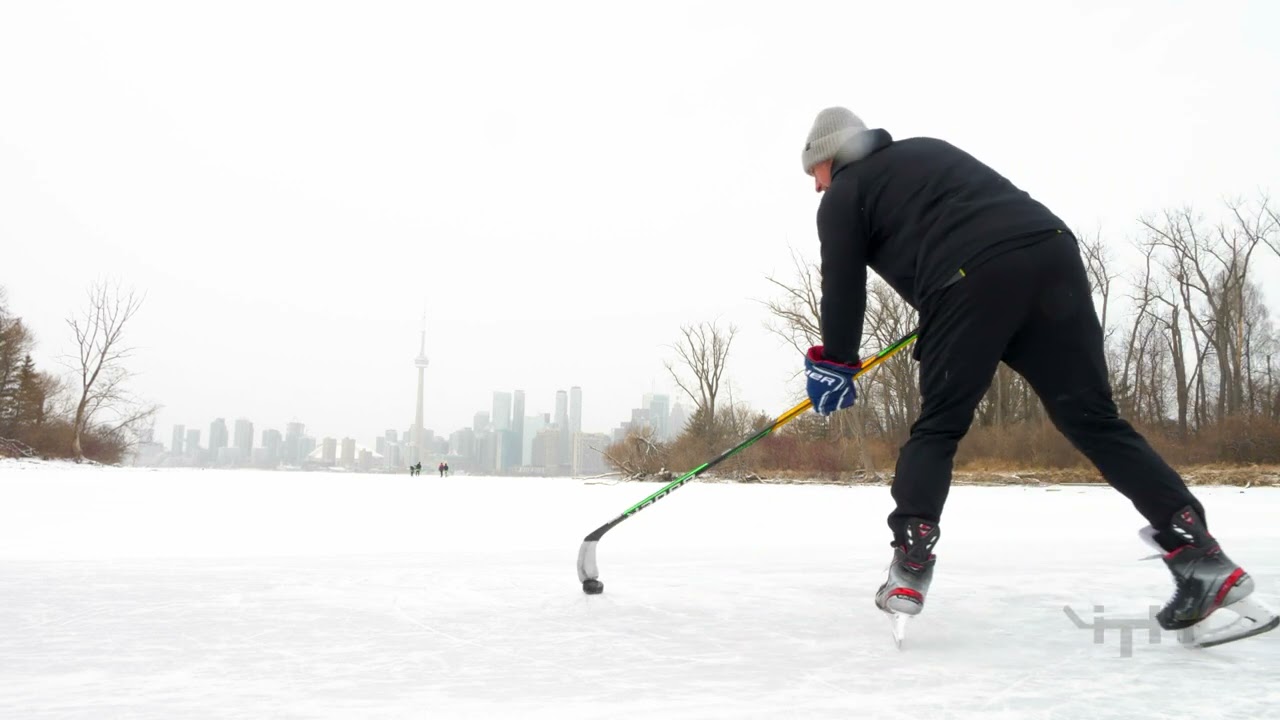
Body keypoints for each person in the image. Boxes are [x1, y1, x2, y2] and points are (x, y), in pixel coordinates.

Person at [798, 106, 1277, 646]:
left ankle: (909, 563)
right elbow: (980, 220)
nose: (815, 188)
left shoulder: (844, 192)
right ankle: (1199, 557)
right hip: (1052, 254)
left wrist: (836, 360)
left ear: (829, 158)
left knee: (940, 424)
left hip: (969, 276)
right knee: (1094, 418)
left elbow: (842, 283)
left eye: (812, 173)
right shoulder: (928, 148)